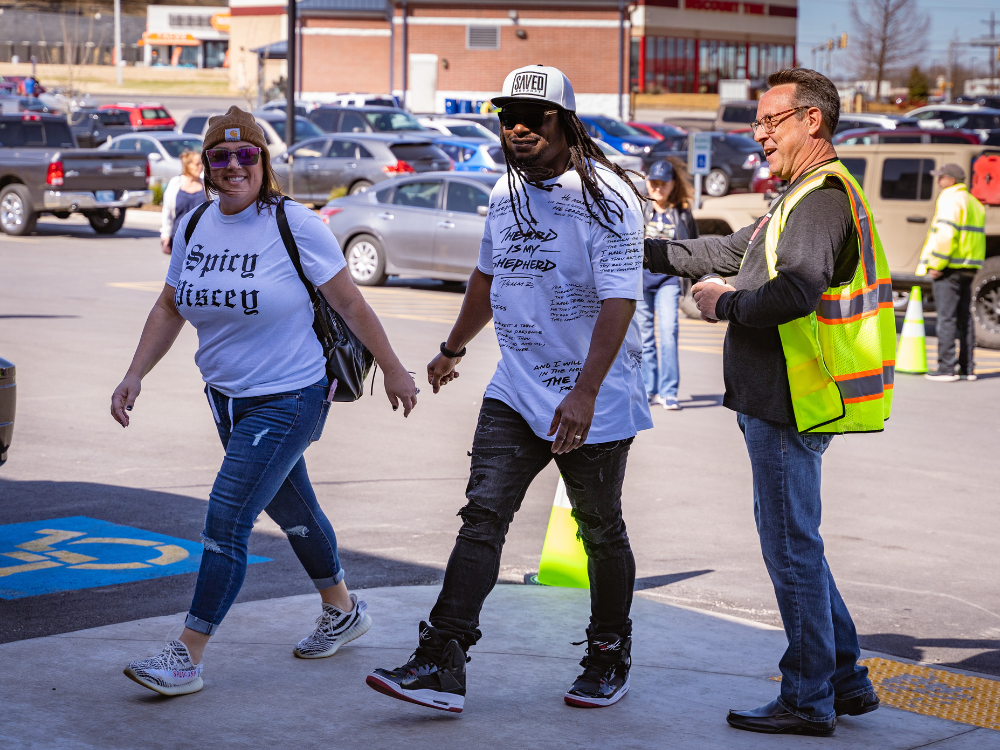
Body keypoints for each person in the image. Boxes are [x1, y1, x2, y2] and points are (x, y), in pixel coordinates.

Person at [366, 65, 651, 714]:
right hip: (515, 392)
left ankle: (608, 652)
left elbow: (618, 302)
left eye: (534, 116)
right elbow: (486, 280)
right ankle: (442, 660)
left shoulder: (607, 198)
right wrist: (451, 348)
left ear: (566, 123)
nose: (517, 127)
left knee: (600, 529)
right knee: (482, 517)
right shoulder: (505, 192)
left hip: (594, 399)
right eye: (508, 115)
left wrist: (582, 393)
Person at [110, 106, 418, 697]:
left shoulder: (293, 223)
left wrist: (395, 370)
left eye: (245, 154)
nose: (233, 167)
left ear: (263, 161)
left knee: (227, 518)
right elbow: (170, 306)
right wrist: (134, 373)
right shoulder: (197, 224)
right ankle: (343, 609)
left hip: (290, 397)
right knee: (293, 509)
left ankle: (187, 655)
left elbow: (351, 305)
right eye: (220, 157)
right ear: (206, 166)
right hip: (226, 399)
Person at [645, 68, 895, 736]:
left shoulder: (820, 198)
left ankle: (808, 696)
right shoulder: (798, 196)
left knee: (789, 549)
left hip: (791, 404)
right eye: (757, 123)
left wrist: (725, 303)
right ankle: (844, 679)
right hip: (785, 401)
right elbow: (727, 248)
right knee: (799, 546)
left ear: (812, 120)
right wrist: (637, 249)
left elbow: (797, 290)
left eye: (770, 121)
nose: (758, 134)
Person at [635, 158, 698, 410]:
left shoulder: (682, 212)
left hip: (669, 280)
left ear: (673, 185)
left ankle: (669, 391)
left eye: (663, 184)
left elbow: (695, 247)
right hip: (641, 280)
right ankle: (650, 387)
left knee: (669, 332)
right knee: (645, 337)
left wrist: (698, 281)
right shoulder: (639, 207)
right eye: (653, 183)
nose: (657, 189)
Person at [915, 163, 986, 382]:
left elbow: (946, 235)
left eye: (941, 177)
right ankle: (967, 368)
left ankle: (946, 369)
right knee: (965, 318)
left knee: (946, 318)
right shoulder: (974, 203)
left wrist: (937, 263)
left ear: (951, 180)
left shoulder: (950, 198)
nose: (938, 181)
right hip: (968, 267)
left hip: (948, 268)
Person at [160, 149, 204, 255]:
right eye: (197, 164)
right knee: (180, 270)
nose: (200, 167)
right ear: (187, 165)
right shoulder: (175, 183)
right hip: (180, 238)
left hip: (204, 239)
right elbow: (167, 211)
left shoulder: (206, 184)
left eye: (201, 164)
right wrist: (165, 234)